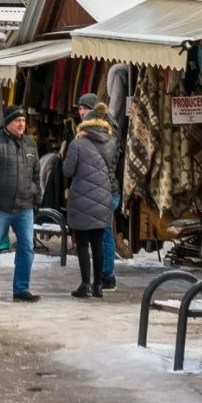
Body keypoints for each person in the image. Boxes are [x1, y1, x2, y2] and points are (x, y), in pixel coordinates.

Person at [0, 104, 43, 302]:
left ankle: (21, 288)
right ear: (8, 123)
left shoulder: (31, 144)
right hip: (0, 206)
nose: (21, 124)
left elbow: (36, 174)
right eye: (17, 121)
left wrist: (36, 195)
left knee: (26, 248)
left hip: (25, 206)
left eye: (23, 121)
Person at [59, 105, 120, 297]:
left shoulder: (78, 144)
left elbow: (68, 170)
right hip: (104, 197)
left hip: (82, 198)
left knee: (83, 243)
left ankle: (85, 284)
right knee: (98, 241)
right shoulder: (111, 142)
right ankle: (99, 285)